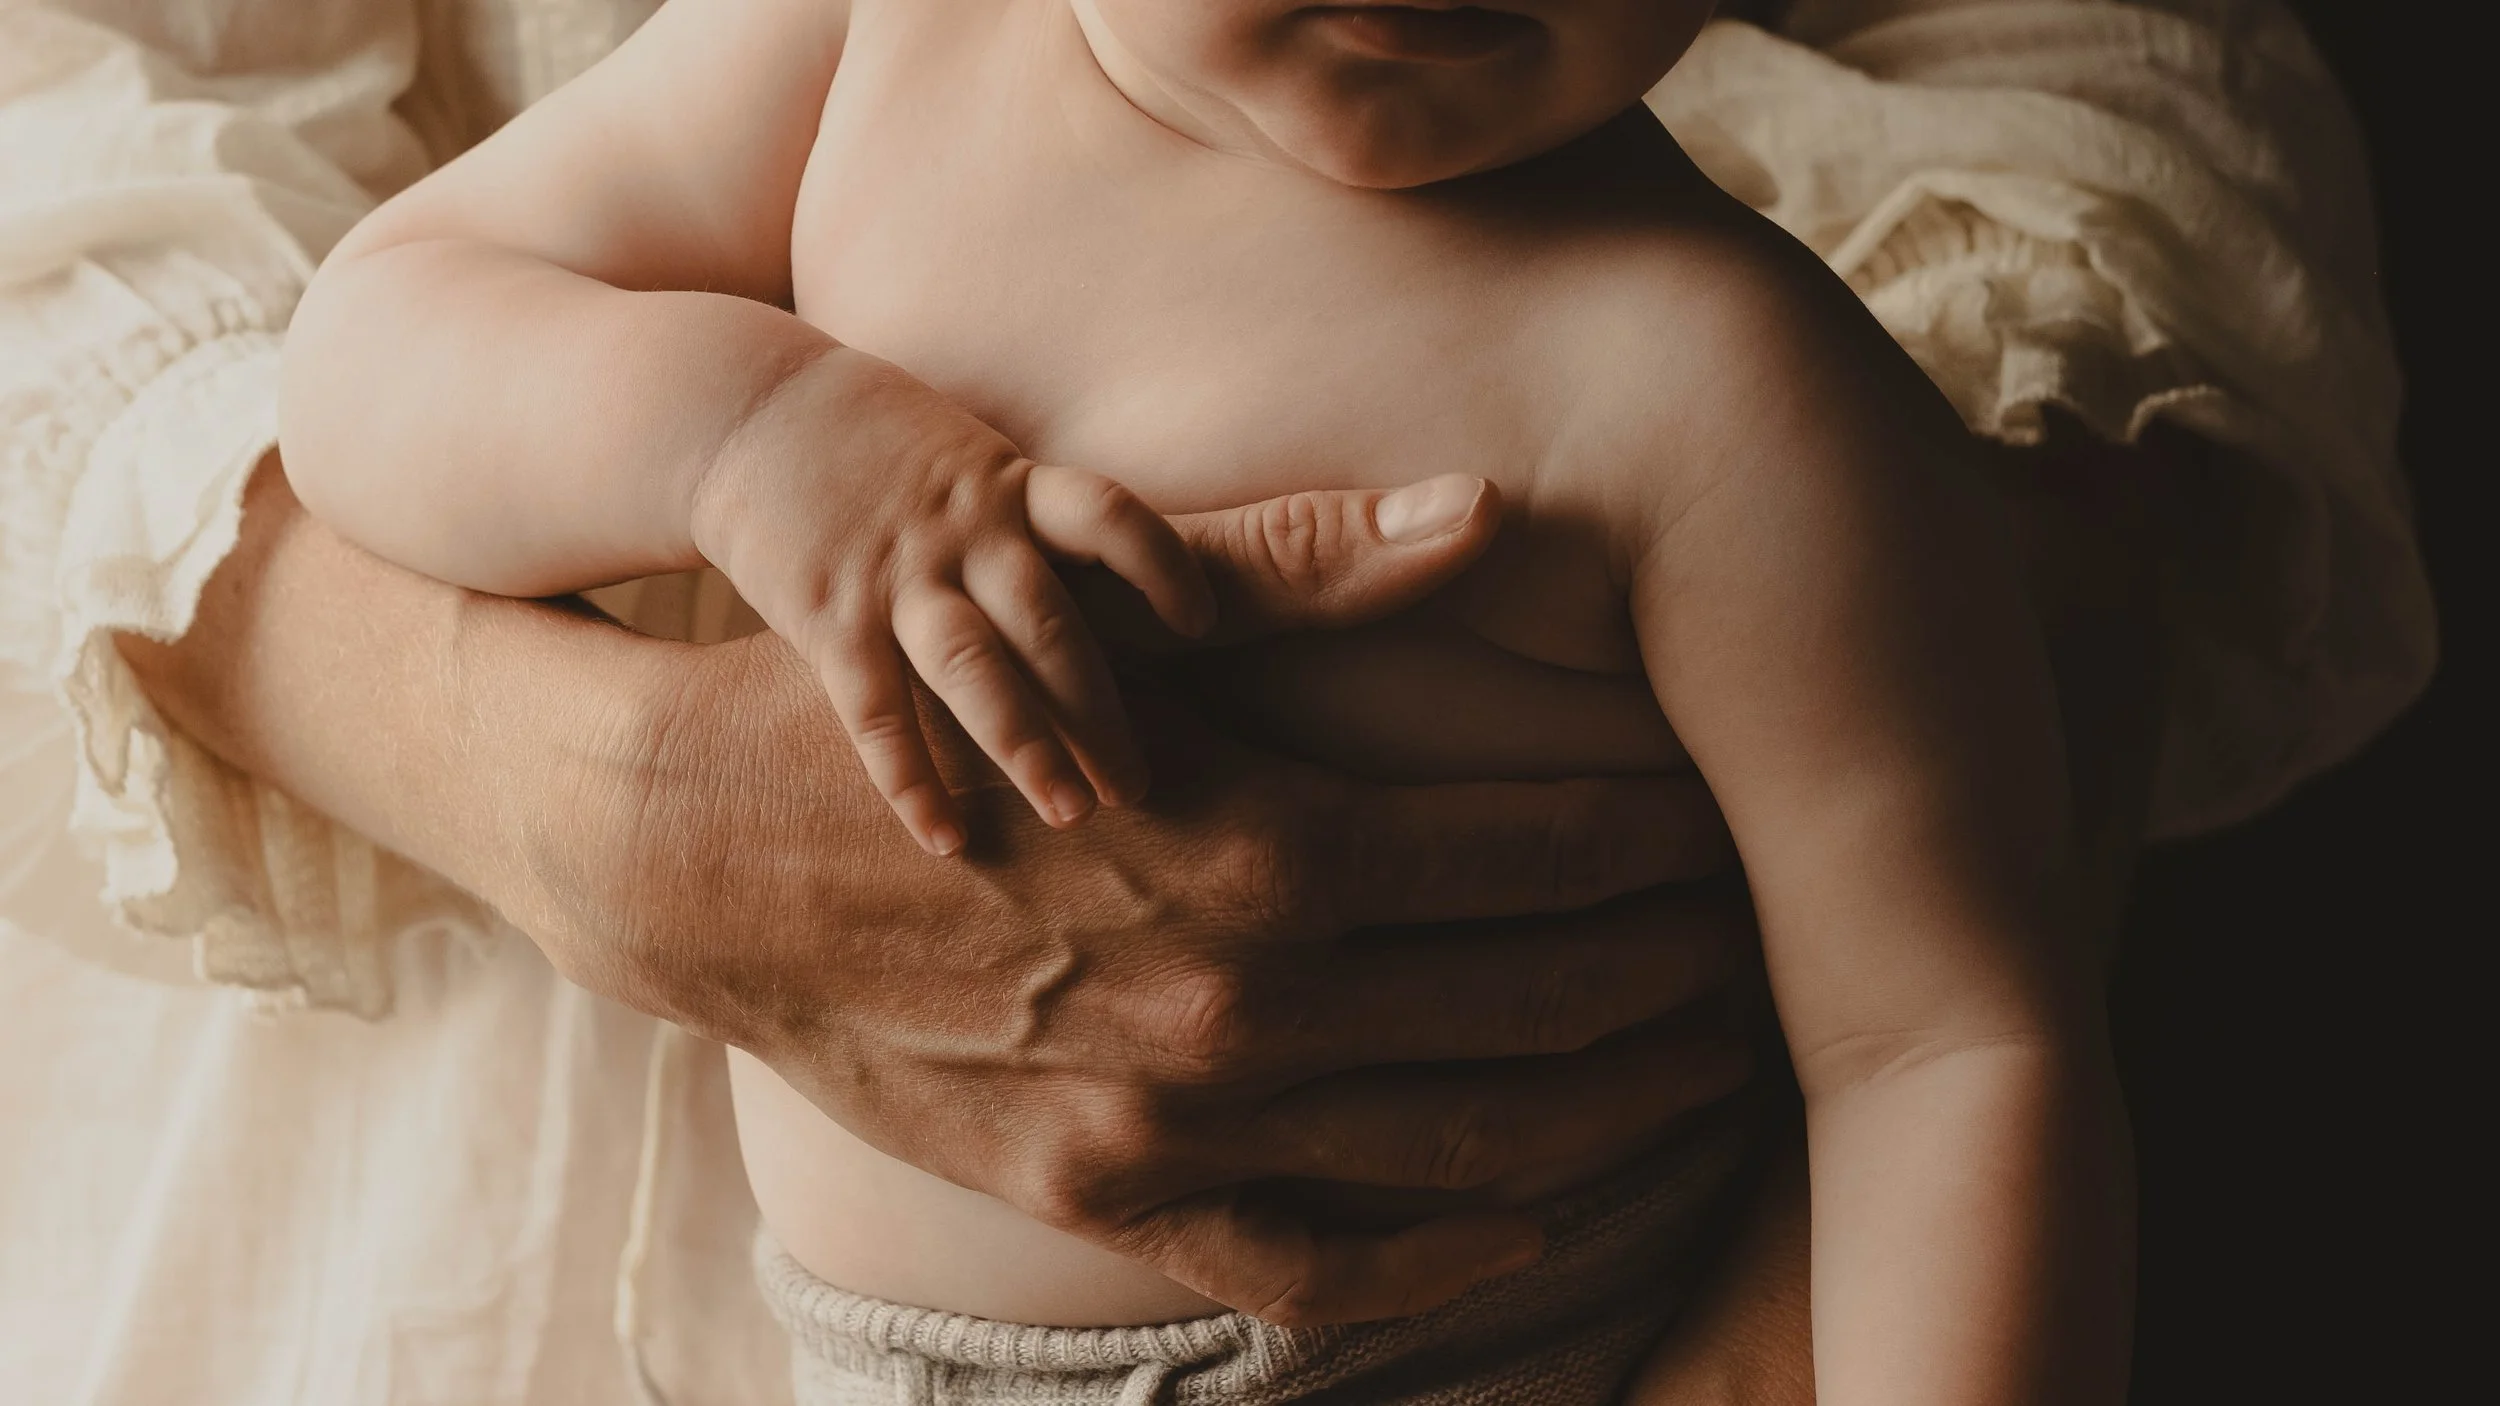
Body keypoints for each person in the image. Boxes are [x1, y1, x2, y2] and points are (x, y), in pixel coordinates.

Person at [0, 2, 2432, 1404]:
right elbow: (377, 342)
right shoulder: (880, 47)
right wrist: (742, 433)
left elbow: (1941, 1049)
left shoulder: (1725, 392)